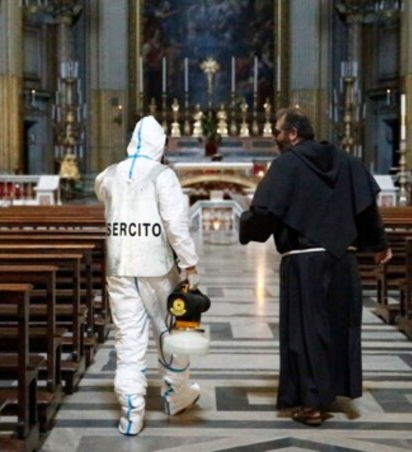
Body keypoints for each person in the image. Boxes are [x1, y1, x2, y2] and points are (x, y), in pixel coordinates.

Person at [239, 107, 392, 426]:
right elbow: (366, 208)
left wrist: (247, 226)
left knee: (307, 332)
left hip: (304, 262)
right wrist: (379, 245)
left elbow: (265, 212)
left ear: (293, 133)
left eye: (277, 133)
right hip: (342, 260)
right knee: (339, 326)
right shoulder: (347, 161)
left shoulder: (286, 165)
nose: (275, 139)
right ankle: (332, 390)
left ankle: (311, 404)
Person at [95, 115, 201, 436]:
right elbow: (175, 224)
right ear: (161, 144)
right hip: (156, 267)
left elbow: (103, 193)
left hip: (120, 266)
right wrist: (190, 263)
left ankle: (131, 410)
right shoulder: (161, 175)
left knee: (128, 337)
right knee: (174, 330)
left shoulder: (109, 175)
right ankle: (176, 394)